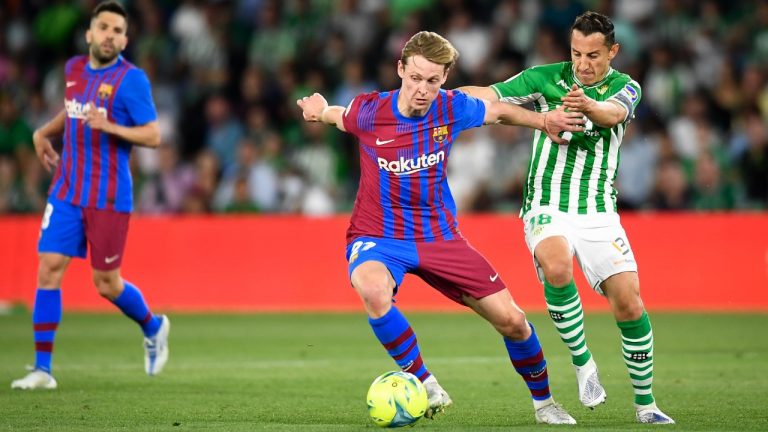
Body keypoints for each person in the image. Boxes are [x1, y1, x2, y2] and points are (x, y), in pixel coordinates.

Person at [297, 31, 585, 425]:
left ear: (445, 78)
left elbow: (498, 111)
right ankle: (425, 382)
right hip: (379, 236)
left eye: (432, 80)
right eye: (415, 78)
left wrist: (544, 120)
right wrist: (319, 110)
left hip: (439, 237)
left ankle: (545, 404)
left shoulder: (451, 107)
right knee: (372, 289)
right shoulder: (370, 111)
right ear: (401, 69)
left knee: (514, 322)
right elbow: (338, 116)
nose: (422, 89)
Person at [460, 11, 675, 424]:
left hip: (598, 210)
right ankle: (583, 363)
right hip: (546, 204)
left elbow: (612, 114)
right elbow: (490, 94)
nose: (582, 63)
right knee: (557, 266)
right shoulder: (546, 78)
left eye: (593, 55)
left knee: (629, 303)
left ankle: (646, 404)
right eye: (577, 53)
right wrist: (439, 94)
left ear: (612, 52)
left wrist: (587, 105)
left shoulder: (626, 86)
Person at [11, 1, 170, 390]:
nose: (109, 35)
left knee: (106, 283)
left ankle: (153, 326)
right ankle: (42, 369)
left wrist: (112, 126)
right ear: (89, 34)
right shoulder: (73, 70)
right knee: (49, 266)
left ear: (125, 40)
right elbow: (73, 111)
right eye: (103, 27)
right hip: (67, 188)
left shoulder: (132, 81)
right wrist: (42, 132)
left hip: (109, 196)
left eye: (117, 31)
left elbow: (153, 135)